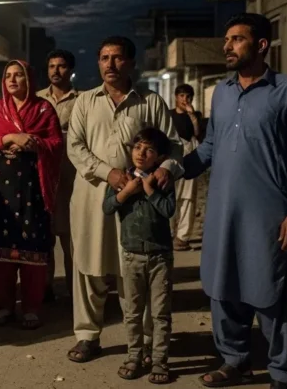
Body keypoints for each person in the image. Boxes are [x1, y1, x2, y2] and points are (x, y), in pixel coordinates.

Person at [185, 14, 287, 389]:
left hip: (270, 214)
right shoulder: (222, 92)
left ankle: (283, 374)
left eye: (237, 39)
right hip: (223, 211)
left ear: (261, 46)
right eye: (226, 40)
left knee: (273, 292)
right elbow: (210, 145)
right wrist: (175, 169)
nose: (227, 46)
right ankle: (235, 361)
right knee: (223, 288)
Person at [65, 36, 183, 364]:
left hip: (138, 205)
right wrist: (109, 173)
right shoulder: (85, 101)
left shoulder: (150, 102)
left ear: (131, 63)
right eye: (104, 58)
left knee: (135, 267)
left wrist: (168, 169)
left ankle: (144, 341)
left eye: (117, 58)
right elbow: (75, 146)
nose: (110, 65)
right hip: (91, 196)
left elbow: (173, 144)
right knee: (89, 267)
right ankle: (87, 335)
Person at [0, 60, 63, 330]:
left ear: (29, 80)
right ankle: (3, 307)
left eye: (19, 75)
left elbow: (56, 144)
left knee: (32, 252)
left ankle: (31, 308)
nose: (13, 80)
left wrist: (34, 142)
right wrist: (9, 138)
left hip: (31, 192)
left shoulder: (43, 109)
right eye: (9, 76)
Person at [103, 127, 176, 385]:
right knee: (132, 312)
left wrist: (149, 190)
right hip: (132, 256)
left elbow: (168, 210)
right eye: (137, 148)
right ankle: (134, 356)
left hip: (160, 258)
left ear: (159, 156)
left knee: (160, 313)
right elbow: (108, 206)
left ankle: (159, 361)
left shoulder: (162, 181)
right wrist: (128, 191)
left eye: (149, 150)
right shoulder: (122, 179)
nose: (141, 154)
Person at [37, 49, 80, 303]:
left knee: (71, 239)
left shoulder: (83, 100)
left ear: (70, 70)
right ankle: (44, 288)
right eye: (51, 66)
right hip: (43, 177)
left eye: (61, 66)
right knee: (44, 237)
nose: (55, 71)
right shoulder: (37, 100)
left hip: (71, 178)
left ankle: (75, 292)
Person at [171, 83, 205, 251]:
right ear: (176, 97)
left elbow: (198, 134)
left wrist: (192, 116)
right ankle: (168, 233)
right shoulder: (169, 115)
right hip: (172, 157)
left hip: (190, 156)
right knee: (170, 196)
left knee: (188, 198)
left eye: (188, 96)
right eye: (182, 96)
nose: (185, 99)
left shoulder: (196, 115)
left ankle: (182, 237)